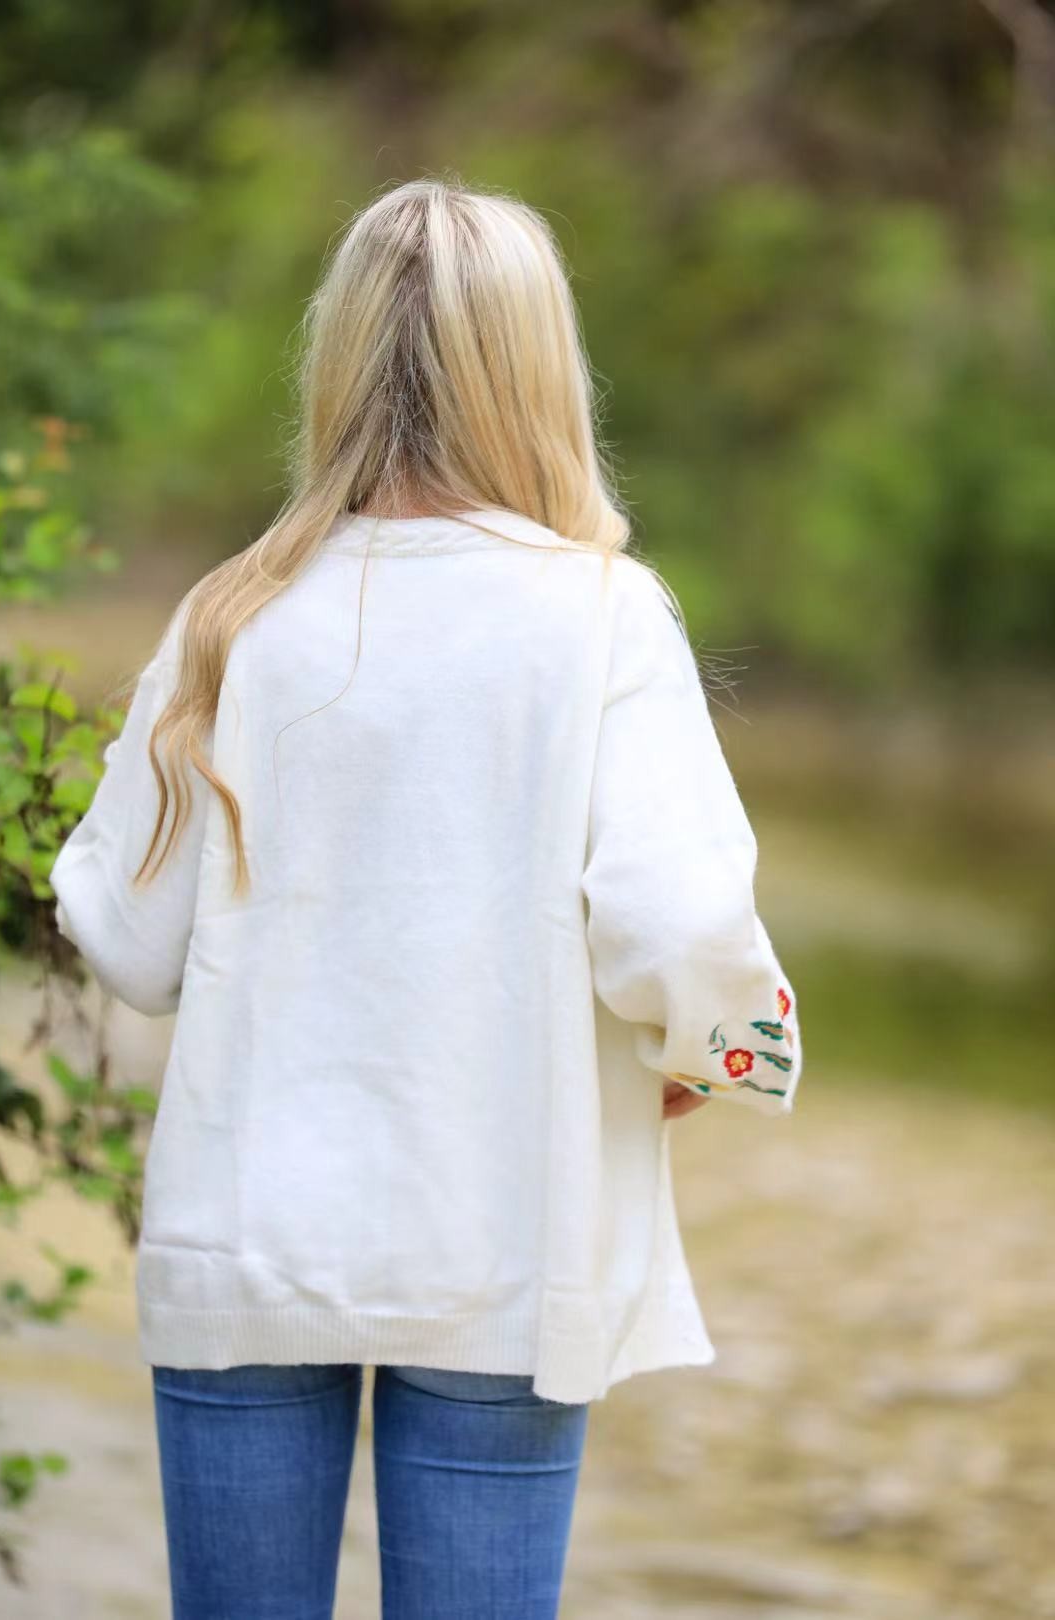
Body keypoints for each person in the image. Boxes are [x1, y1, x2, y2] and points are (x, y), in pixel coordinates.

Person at [49, 176, 804, 1620]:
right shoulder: (601, 616)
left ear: (334, 363)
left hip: (246, 1238)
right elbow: (680, 921)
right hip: (505, 1239)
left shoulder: (233, 614)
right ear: (541, 370)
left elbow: (130, 940)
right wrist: (713, 1052)